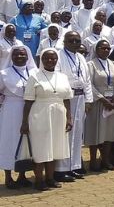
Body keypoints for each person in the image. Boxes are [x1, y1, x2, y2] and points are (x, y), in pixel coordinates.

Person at [21, 48, 72, 191]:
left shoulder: (63, 76)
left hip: (59, 114)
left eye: (53, 58)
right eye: (47, 58)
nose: (50, 61)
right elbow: (28, 101)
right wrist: (24, 122)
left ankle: (50, 178)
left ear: (57, 60)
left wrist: (69, 118)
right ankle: (39, 180)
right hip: (40, 115)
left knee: (55, 147)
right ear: (41, 60)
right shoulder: (34, 77)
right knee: (41, 148)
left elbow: (67, 99)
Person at [54, 31, 92, 181]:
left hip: (81, 98)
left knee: (77, 134)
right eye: (72, 41)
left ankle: (74, 166)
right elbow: (57, 77)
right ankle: (60, 169)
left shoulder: (81, 57)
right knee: (65, 132)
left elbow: (87, 80)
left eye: (77, 41)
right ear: (64, 42)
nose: (75, 43)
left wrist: (89, 100)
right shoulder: (59, 56)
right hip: (66, 99)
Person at [84, 40, 114, 172]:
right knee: (95, 131)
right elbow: (89, 84)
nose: (106, 51)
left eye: (108, 48)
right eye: (103, 48)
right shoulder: (90, 64)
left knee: (109, 132)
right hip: (97, 102)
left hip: (112, 103)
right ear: (97, 49)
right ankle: (93, 160)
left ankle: (105, 159)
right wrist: (101, 99)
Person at [0, 46, 36, 188]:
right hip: (10, 111)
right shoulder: (3, 73)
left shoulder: (34, 72)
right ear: (11, 57)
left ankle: (22, 175)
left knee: (26, 142)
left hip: (31, 110)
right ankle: (8, 177)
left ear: (28, 56)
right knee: (8, 141)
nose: (20, 56)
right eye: (16, 54)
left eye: (23, 54)